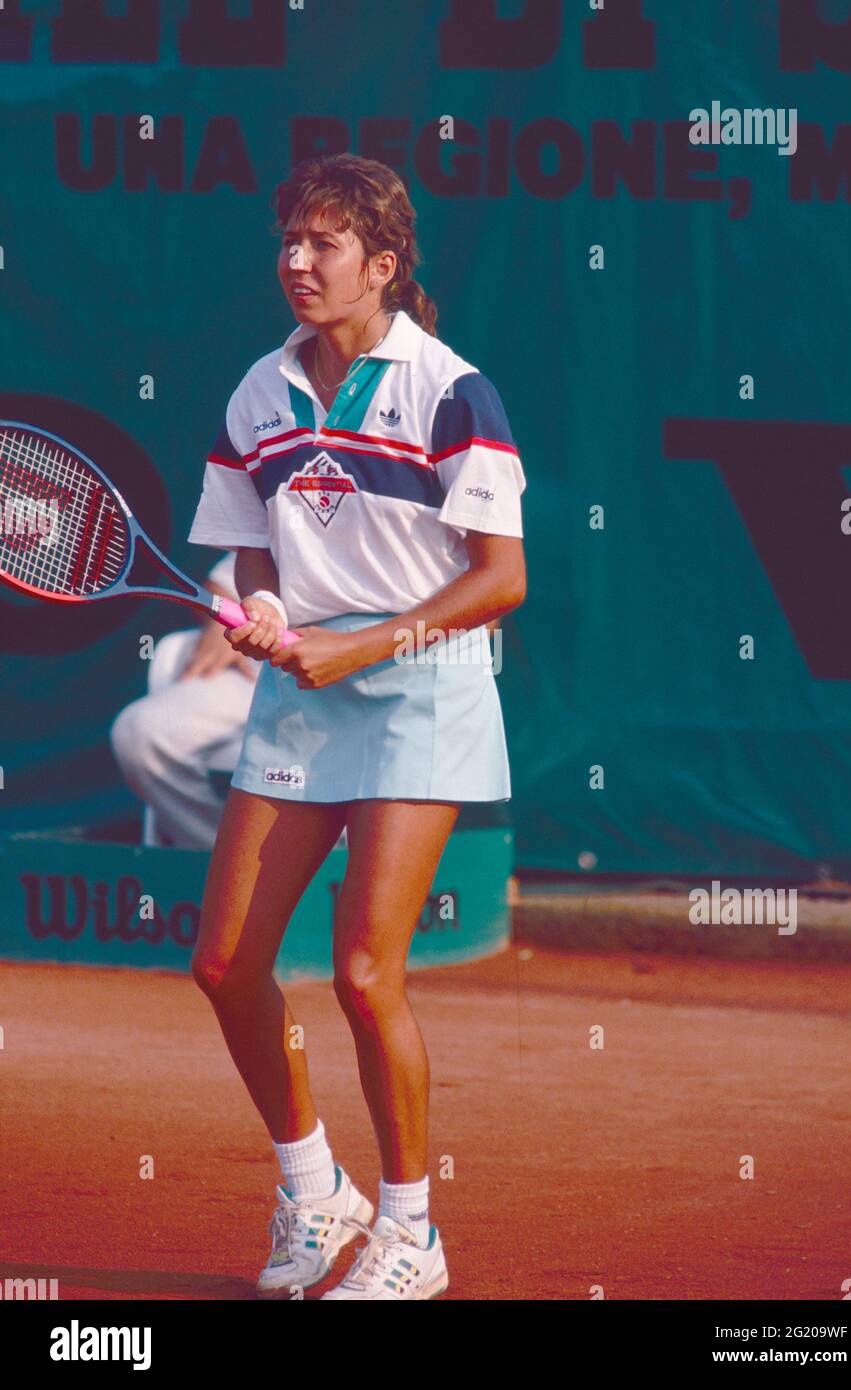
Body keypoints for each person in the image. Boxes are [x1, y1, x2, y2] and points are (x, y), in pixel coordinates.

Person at [187, 153, 526, 1301]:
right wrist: (266, 606)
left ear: (382, 265)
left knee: (365, 970)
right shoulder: (255, 394)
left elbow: (499, 579)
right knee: (226, 960)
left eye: (325, 244)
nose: (296, 261)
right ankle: (310, 1186)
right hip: (306, 681)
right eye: (289, 240)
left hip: (424, 681)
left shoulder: (450, 389)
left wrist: (359, 645)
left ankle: (412, 1231)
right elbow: (251, 550)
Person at [109, 553, 260, 850]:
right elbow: (221, 584)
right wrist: (224, 623)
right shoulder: (284, 514)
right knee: (140, 733)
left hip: (359, 689)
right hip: (257, 678)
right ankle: (225, 861)